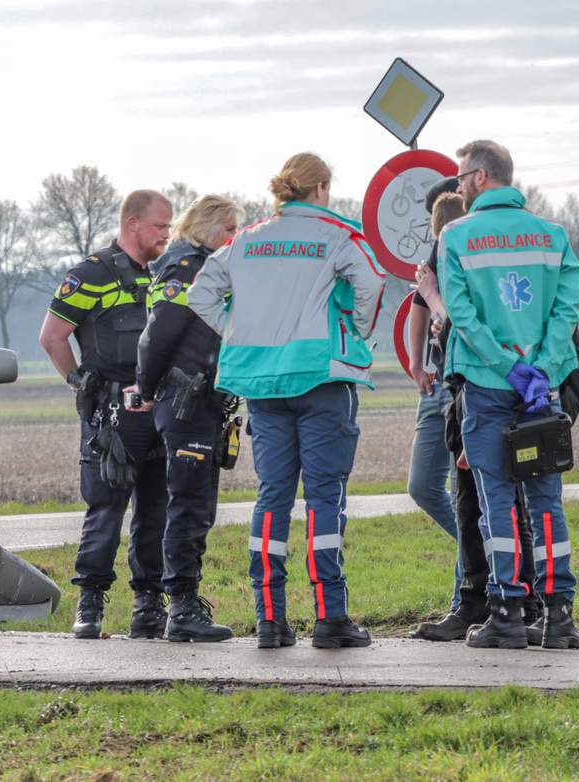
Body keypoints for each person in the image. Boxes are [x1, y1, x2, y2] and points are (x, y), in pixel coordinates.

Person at [188, 153, 385, 649]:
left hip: (262, 386)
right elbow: (372, 282)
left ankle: (270, 619)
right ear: (320, 188)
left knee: (272, 498)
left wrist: (237, 332)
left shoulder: (247, 240)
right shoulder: (337, 234)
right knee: (324, 498)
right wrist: (355, 335)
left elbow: (201, 294)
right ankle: (330, 617)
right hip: (320, 378)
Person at [437, 139, 579, 650]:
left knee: (495, 499)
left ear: (480, 177)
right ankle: (559, 618)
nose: (457, 186)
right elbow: (566, 313)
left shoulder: (456, 236)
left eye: (460, 177)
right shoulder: (553, 237)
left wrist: (507, 366)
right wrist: (539, 369)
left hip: (486, 383)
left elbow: (463, 317)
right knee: (546, 500)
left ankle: (505, 613)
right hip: (541, 391)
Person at [38, 189, 174, 640]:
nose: (166, 235)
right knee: (106, 509)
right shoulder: (90, 274)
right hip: (111, 414)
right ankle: (90, 603)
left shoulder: (163, 276)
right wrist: (80, 384)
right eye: (160, 226)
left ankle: (148, 606)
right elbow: (52, 336)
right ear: (133, 224)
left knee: (156, 511)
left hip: (158, 409)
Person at [134, 195, 243, 642]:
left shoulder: (200, 263)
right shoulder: (187, 267)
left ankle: (171, 606)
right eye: (230, 228)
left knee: (192, 506)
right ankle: (181, 608)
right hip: (187, 400)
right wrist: (145, 387)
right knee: (189, 507)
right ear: (210, 228)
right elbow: (157, 335)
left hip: (202, 402)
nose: (235, 237)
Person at [405, 188, 476, 638]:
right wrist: (415, 362)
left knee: (462, 495)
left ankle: (465, 599)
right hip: (434, 383)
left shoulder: (470, 250)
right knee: (422, 487)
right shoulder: (437, 252)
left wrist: (434, 300)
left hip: (464, 384)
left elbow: (449, 313)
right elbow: (416, 304)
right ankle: (483, 553)